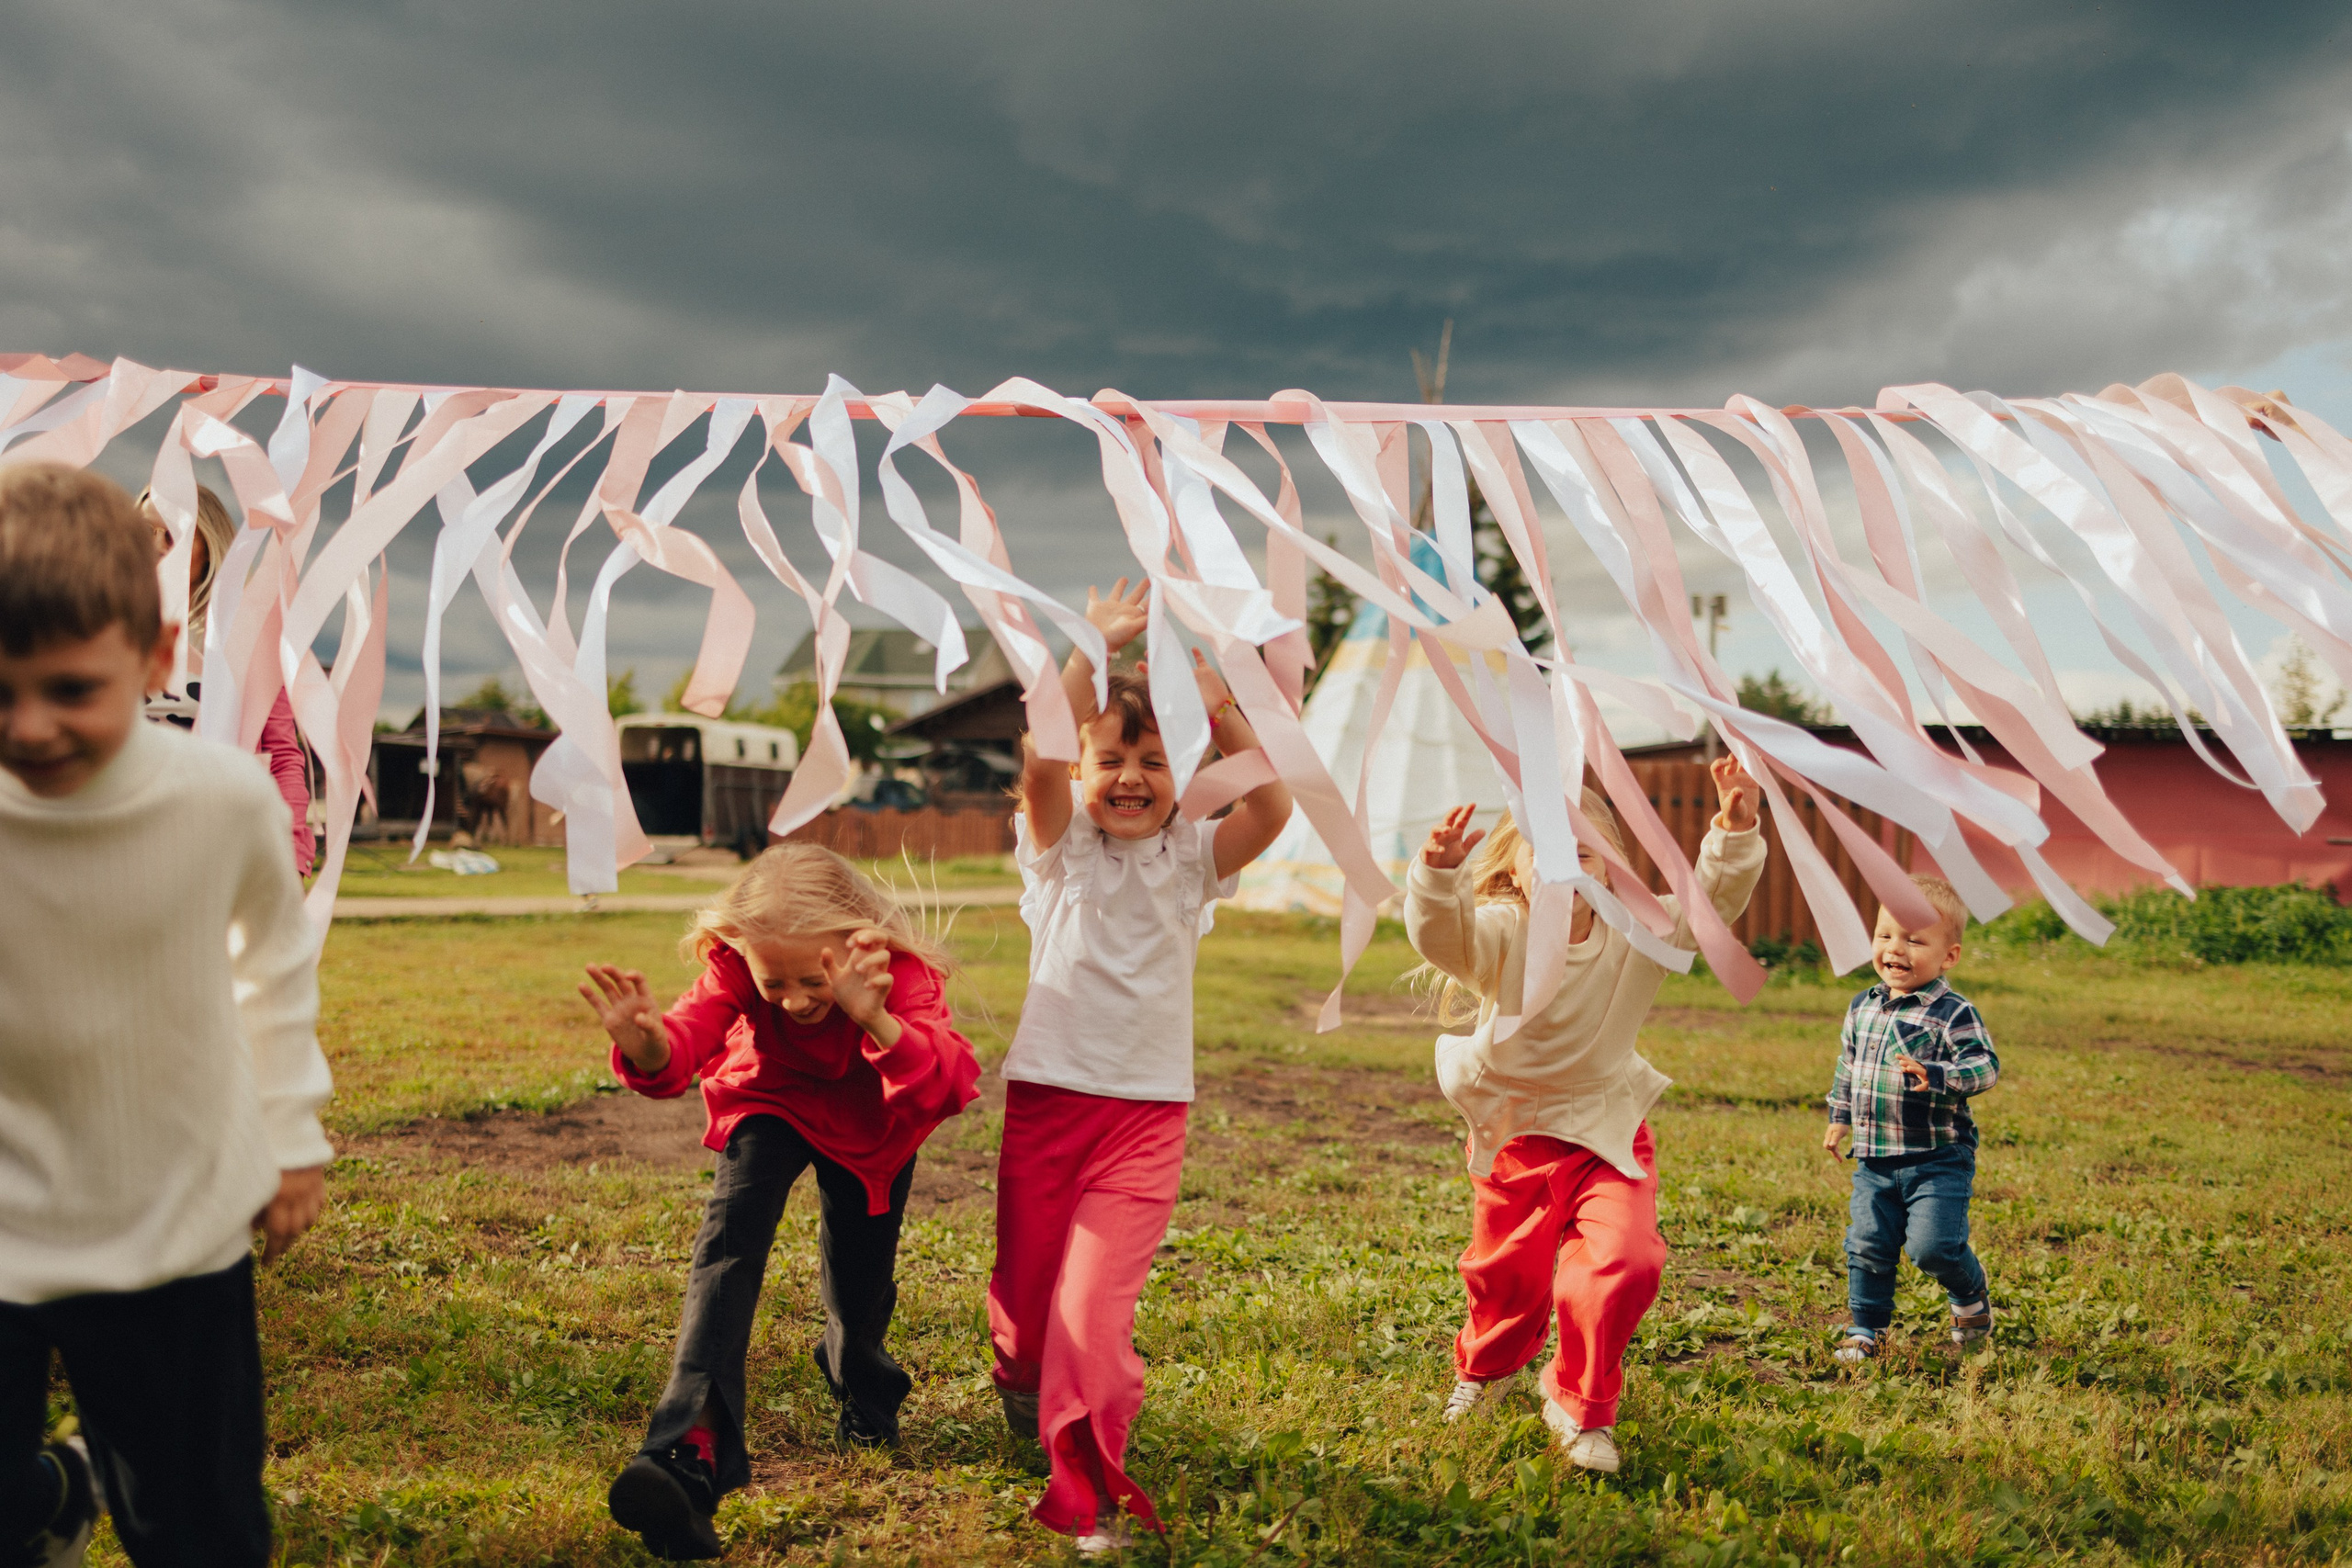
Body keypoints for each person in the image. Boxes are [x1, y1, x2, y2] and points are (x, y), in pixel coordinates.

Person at [0, 462, 334, 1565]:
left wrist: (290, 1137)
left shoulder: (218, 802)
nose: (33, 728)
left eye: (70, 691)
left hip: (172, 1217)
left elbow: (272, 965)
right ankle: (46, 1500)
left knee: (198, 1526)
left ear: (152, 659)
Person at [992, 579, 1293, 1555]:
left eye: (1154, 760)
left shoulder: (1193, 858)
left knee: (1091, 1309)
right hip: (1047, 1104)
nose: (1130, 776)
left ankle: (1087, 1484)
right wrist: (1092, 648)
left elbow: (1275, 800)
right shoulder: (1059, 850)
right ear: (1083, 772)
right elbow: (1041, 756)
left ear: (1185, 772)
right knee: (1029, 1303)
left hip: (1145, 1119)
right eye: (1111, 758)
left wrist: (1218, 699)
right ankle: (1023, 1381)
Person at [580, 843, 980, 1561]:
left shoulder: (900, 972)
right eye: (775, 982)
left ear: (856, 936)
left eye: (811, 979)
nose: (793, 999)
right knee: (725, 1252)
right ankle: (688, 1452)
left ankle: (866, 1389)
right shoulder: (737, 965)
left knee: (858, 1284)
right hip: (770, 1100)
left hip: (872, 1124)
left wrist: (875, 1016)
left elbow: (945, 1081)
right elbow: (686, 1038)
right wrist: (645, 1044)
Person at [1405, 757, 1764, 1475]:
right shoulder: (1503, 929)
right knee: (1506, 1278)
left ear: (1610, 867)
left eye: (1585, 846)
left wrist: (1733, 829)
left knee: (1625, 1261)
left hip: (1606, 1131)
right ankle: (1487, 1369)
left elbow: (1708, 903)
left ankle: (1579, 1403)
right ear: (1514, 869)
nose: (1570, 858)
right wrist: (1437, 877)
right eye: (1551, 844)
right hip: (1516, 1135)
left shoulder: (1639, 931)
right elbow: (1445, 937)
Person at [1822, 875, 1999, 1362]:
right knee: (1868, 1243)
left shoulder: (1953, 1012)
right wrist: (1839, 1116)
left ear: (1949, 956)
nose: (1895, 949)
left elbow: (1985, 1067)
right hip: (1875, 1157)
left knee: (1932, 1247)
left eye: (1914, 940)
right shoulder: (1862, 1007)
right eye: (1885, 935)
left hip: (1937, 1157)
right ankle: (1865, 1330)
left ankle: (1969, 1294)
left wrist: (1939, 1074)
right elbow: (1848, 1067)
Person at [137, 484, 313, 875]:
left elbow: (283, 756)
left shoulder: (248, 644)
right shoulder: (90, 631)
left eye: (173, 533)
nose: (156, 546)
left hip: (215, 851)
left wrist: (291, 856)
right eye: (143, 531)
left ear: (209, 546)